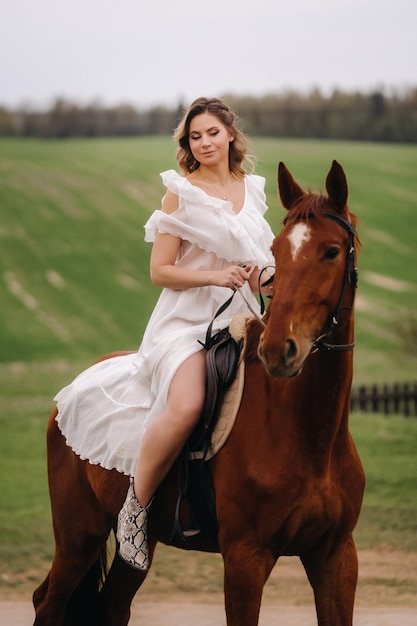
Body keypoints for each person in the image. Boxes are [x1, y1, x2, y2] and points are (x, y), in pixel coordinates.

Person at [54, 97, 275, 571]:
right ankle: (135, 508)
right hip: (186, 325)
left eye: (212, 133)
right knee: (188, 405)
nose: (204, 142)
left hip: (244, 318)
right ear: (187, 145)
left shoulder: (251, 191)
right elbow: (161, 271)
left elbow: (256, 267)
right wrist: (216, 278)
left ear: (230, 135)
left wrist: (273, 281)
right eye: (195, 136)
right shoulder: (180, 192)